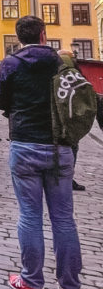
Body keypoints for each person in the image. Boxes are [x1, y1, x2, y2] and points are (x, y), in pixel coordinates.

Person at [0, 16, 80, 289]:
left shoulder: (11, 63)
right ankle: (71, 288)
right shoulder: (62, 62)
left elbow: (0, 102)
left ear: (19, 37)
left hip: (25, 143)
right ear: (44, 35)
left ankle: (31, 282)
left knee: (30, 216)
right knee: (64, 220)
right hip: (60, 145)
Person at [57, 50, 86, 193]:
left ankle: (64, 176)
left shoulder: (52, 72)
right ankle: (67, 176)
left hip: (59, 119)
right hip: (71, 120)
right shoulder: (76, 74)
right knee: (71, 148)